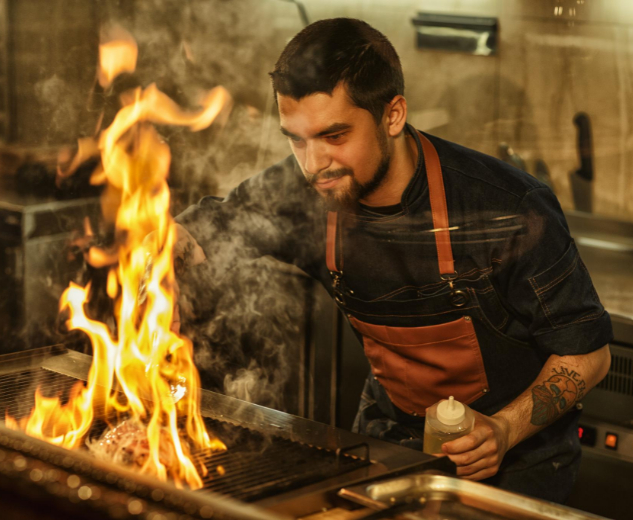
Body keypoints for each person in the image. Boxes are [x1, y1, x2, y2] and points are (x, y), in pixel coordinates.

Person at [174, 18, 612, 503]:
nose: (312, 163)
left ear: (393, 115)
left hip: (517, 462)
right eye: (296, 139)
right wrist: (158, 251)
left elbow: (587, 352)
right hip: (391, 442)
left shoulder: (508, 207)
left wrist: (505, 430)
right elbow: (210, 231)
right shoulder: (303, 192)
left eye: (334, 136)